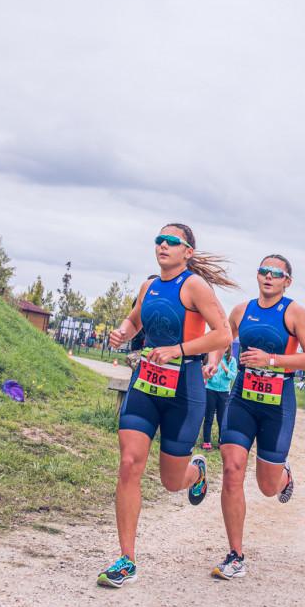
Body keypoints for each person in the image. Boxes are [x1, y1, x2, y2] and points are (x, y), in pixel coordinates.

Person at [98, 224, 233, 588]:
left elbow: (223, 334)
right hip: (146, 383)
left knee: (172, 482)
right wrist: (123, 331)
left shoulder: (195, 286)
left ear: (187, 252)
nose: (163, 245)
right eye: (159, 240)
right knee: (129, 463)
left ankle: (195, 472)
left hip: (184, 390)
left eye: (172, 241)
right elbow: (135, 319)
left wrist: (179, 349)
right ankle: (127, 559)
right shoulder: (149, 286)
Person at [210, 255, 305, 580]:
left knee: (267, 486)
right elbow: (221, 337)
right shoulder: (241, 310)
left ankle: (283, 476)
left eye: (276, 273)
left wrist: (271, 360)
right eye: (263, 271)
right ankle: (236, 555)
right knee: (232, 469)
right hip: (242, 398)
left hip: (277, 404)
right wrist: (214, 360)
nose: (268, 277)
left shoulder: (295, 313)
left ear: (287, 281)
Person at [201, 348, 236, 450]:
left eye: (225, 346)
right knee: (209, 417)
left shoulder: (231, 360)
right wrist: (209, 375)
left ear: (229, 347)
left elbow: (233, 376)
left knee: (221, 418)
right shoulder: (211, 358)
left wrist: (225, 369)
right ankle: (206, 441)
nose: (223, 347)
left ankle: (221, 441)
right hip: (210, 390)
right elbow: (206, 374)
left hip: (224, 392)